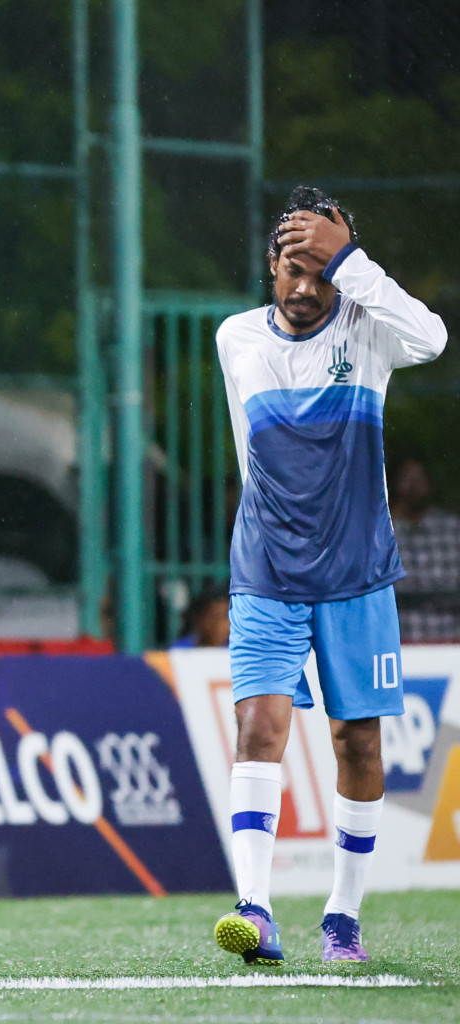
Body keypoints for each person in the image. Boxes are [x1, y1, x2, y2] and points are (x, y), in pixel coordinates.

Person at [212, 187, 446, 965]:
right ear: (268, 269)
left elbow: (436, 337)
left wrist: (351, 258)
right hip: (268, 571)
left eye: (320, 270)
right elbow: (253, 452)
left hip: (357, 575)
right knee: (258, 728)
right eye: (292, 268)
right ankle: (255, 908)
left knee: (358, 744)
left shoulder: (370, 331)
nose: (306, 286)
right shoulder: (235, 338)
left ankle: (342, 916)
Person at [387, 452, 460, 642]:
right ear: (393, 483)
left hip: (451, 644)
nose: (413, 486)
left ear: (430, 483)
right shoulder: (380, 534)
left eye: (419, 478)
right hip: (400, 643)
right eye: (406, 478)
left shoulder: (452, 528)